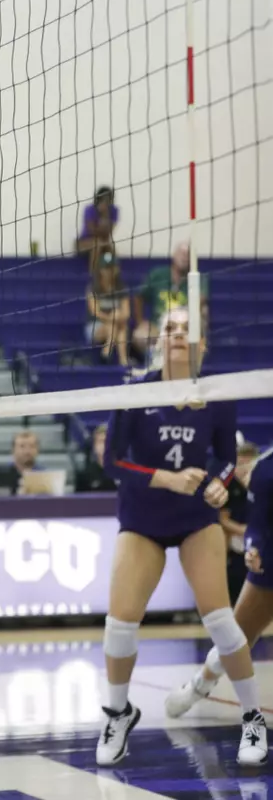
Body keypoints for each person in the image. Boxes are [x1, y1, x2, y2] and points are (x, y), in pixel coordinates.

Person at [95, 307, 266, 768]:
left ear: (201, 344)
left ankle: (253, 717)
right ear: (158, 338)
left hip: (195, 520)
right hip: (143, 518)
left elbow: (227, 460)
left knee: (222, 621)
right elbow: (112, 461)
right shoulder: (137, 390)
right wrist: (165, 478)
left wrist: (217, 482)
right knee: (120, 624)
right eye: (169, 327)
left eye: (186, 329)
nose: (176, 334)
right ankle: (118, 712)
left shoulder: (216, 393)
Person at [165, 445, 273, 736]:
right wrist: (253, 549)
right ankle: (200, 684)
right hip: (270, 571)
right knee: (236, 639)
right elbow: (256, 527)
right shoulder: (265, 469)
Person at [132, 241, 208, 361]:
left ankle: (191, 361)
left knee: (204, 312)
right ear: (174, 255)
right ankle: (155, 358)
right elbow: (138, 296)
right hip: (158, 327)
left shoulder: (197, 277)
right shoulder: (158, 275)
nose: (184, 257)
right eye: (181, 253)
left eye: (188, 254)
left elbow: (201, 300)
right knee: (139, 335)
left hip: (184, 328)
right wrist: (141, 321)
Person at [220, 441, 258, 605]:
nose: (243, 469)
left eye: (248, 464)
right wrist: (243, 530)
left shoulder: (263, 484)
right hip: (236, 543)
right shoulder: (228, 487)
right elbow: (222, 519)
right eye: (239, 464)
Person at [85, 251, 130, 367]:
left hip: (115, 325)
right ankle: (122, 359)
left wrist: (116, 317)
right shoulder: (93, 288)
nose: (109, 272)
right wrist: (112, 318)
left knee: (119, 324)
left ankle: (109, 352)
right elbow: (95, 311)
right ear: (100, 270)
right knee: (118, 325)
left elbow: (126, 313)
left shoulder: (121, 288)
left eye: (112, 268)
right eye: (106, 268)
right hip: (95, 326)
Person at [76, 186, 119, 267]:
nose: (105, 202)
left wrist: (104, 215)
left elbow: (109, 232)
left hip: (104, 242)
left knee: (110, 251)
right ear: (98, 199)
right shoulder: (89, 209)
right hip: (85, 242)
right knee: (98, 245)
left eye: (108, 200)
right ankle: (93, 275)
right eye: (103, 199)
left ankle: (113, 277)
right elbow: (91, 230)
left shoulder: (113, 210)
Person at [74, 424, 117, 493]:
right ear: (94, 446)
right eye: (100, 441)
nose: (104, 446)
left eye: (107, 441)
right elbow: (78, 502)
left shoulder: (125, 474)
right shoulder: (85, 476)